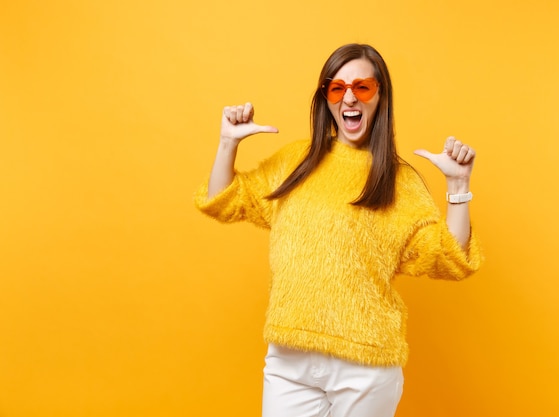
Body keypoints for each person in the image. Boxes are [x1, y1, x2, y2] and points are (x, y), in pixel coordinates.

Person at [195, 43, 483, 417]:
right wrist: (227, 143)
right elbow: (224, 199)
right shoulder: (294, 162)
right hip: (290, 360)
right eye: (337, 88)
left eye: (362, 87)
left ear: (380, 96)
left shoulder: (399, 182)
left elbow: (449, 259)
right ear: (326, 99)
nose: (349, 97)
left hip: (365, 365)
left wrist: (459, 188)